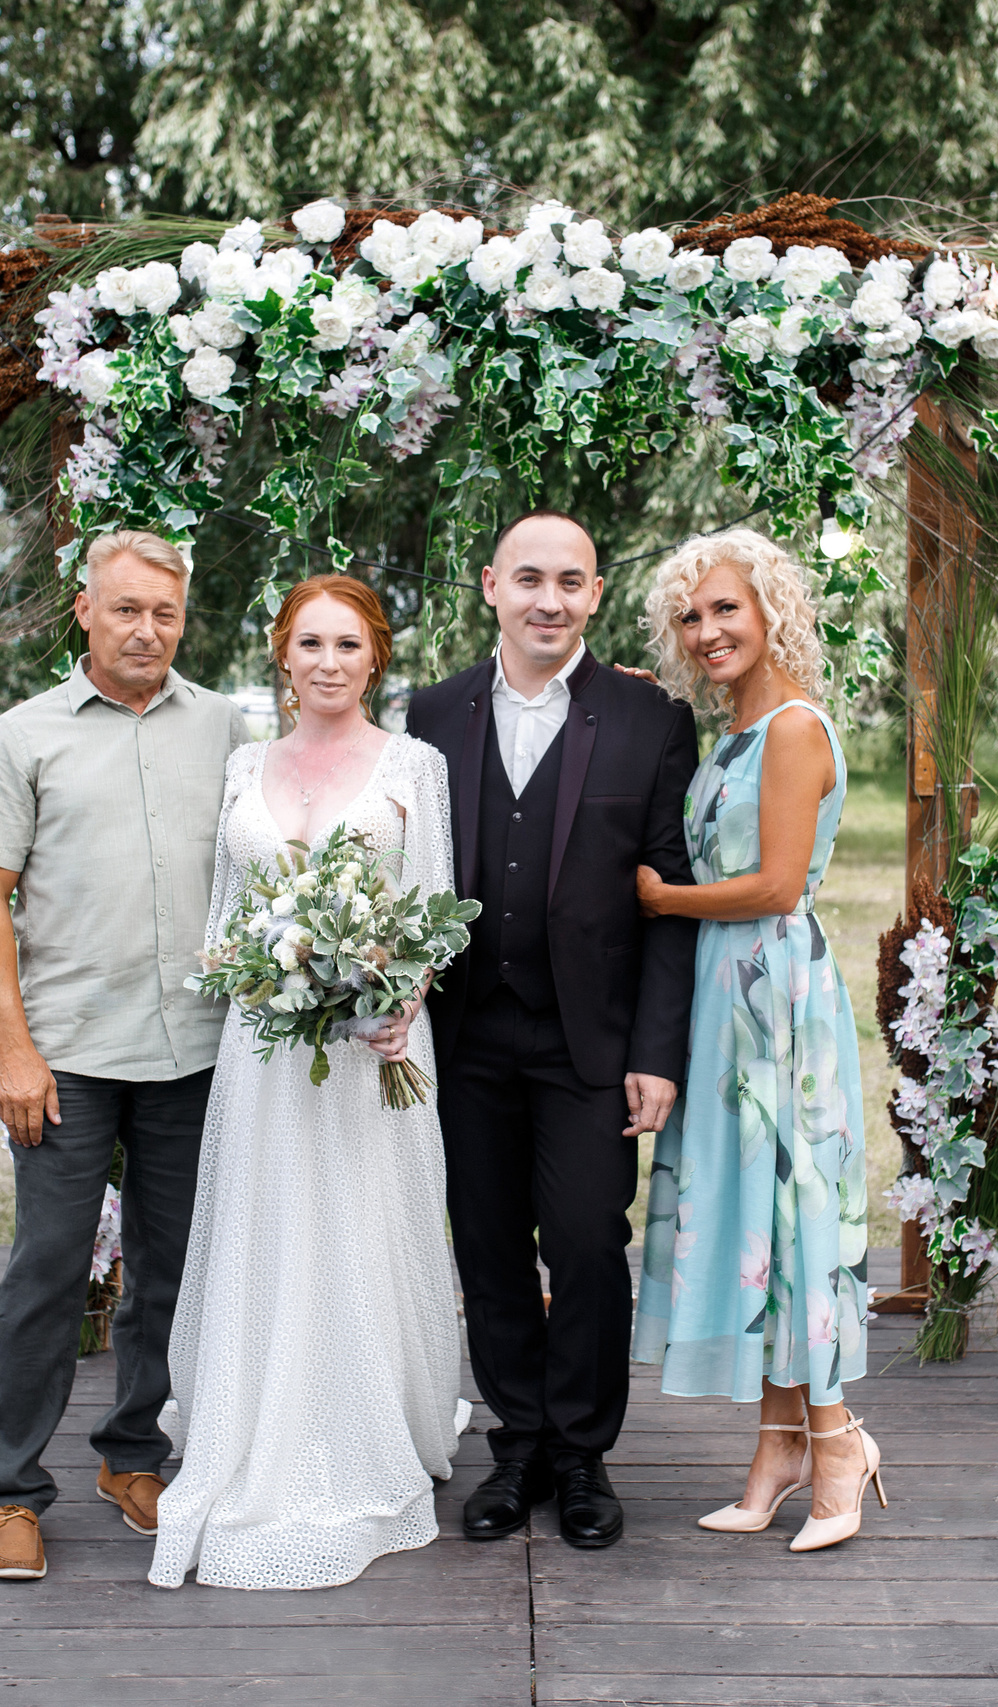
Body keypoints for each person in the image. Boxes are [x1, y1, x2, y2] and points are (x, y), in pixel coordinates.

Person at [148, 574, 466, 1590]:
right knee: (270, 1227)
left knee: (363, 1229)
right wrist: (273, 973)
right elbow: (221, 923)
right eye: (310, 643)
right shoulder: (247, 763)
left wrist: (400, 994)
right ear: (281, 656)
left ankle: (371, 1424)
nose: (329, 662)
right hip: (268, 1048)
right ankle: (255, 1425)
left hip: (374, 1044)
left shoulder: (416, 765)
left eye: (348, 644)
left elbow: (432, 909)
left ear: (375, 657)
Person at [0, 530, 251, 1581]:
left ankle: (134, 1456)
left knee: (171, 1273)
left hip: (195, 1054)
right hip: (67, 1055)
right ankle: (9, 1492)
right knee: (46, 1271)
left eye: (164, 613)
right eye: (126, 609)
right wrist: (12, 1052)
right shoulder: (24, 736)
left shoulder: (223, 728)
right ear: (84, 611)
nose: (146, 630)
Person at [405, 510, 699, 1551]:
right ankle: (516, 1441)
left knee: (582, 1246)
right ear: (491, 585)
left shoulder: (648, 719)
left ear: (593, 596)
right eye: (529, 578)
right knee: (484, 1248)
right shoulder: (429, 715)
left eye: (569, 582)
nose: (548, 600)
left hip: (592, 1044)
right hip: (464, 1037)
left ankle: (581, 1452)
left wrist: (658, 1053)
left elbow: (669, 898)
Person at [629, 528, 883, 1553]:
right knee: (756, 1226)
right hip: (724, 997)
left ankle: (837, 1443)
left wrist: (659, 897)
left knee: (795, 1218)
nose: (706, 631)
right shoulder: (730, 730)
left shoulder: (791, 730)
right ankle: (778, 1446)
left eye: (725, 608)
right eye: (690, 617)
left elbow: (778, 883)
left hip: (777, 995)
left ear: (771, 607)